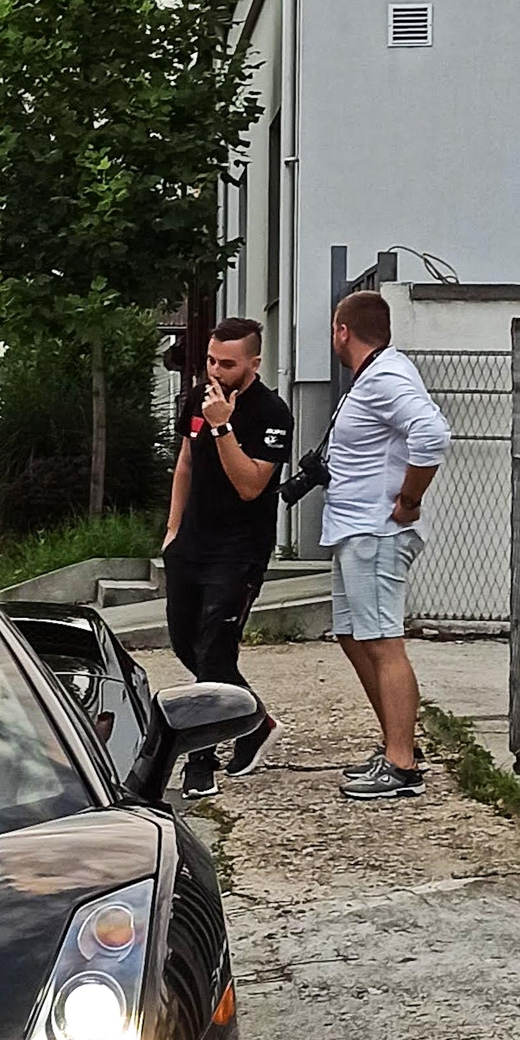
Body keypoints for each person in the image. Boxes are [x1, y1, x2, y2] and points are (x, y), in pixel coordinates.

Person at [322, 289, 451, 799]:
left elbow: (432, 433)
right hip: (352, 529)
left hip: (376, 532)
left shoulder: (388, 377)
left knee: (382, 642)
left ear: (343, 330)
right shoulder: (374, 377)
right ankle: (396, 743)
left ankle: (402, 766)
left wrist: (410, 498)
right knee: (354, 637)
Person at [162, 317, 292, 796]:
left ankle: (202, 762)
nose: (216, 370)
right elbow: (186, 461)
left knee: (215, 651)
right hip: (191, 543)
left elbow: (251, 484)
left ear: (253, 363)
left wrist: (223, 429)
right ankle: (256, 722)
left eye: (228, 363)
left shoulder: (270, 411)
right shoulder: (199, 396)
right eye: (211, 360)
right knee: (185, 643)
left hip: (237, 551)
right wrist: (173, 529)